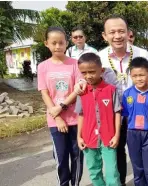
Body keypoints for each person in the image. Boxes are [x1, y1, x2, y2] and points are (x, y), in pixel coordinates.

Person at [74, 15, 148, 185]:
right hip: (111, 113)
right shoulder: (99, 57)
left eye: (121, 31)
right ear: (104, 36)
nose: (117, 36)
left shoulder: (141, 53)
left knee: (143, 153)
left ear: (129, 33)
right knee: (116, 151)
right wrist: (80, 84)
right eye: (112, 32)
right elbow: (87, 77)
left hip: (139, 111)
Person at [37, 26, 83, 186]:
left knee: (77, 156)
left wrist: (61, 106)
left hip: (76, 119)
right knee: (61, 158)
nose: (58, 46)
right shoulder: (43, 67)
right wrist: (57, 117)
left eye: (61, 43)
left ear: (66, 43)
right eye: (54, 43)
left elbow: (78, 90)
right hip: (55, 121)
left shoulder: (75, 64)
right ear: (46, 44)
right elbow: (45, 93)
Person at [74, 53, 121, 186]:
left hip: (109, 138)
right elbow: (81, 115)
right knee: (94, 171)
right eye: (84, 73)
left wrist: (117, 134)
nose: (88, 76)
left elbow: (117, 112)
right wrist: (79, 137)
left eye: (92, 72)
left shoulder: (111, 90)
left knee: (112, 172)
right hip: (88, 139)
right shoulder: (81, 92)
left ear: (102, 70)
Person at [121, 57, 148, 186]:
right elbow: (124, 115)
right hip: (133, 134)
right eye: (135, 76)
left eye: (142, 75)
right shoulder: (127, 94)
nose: (138, 78)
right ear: (130, 76)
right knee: (137, 167)